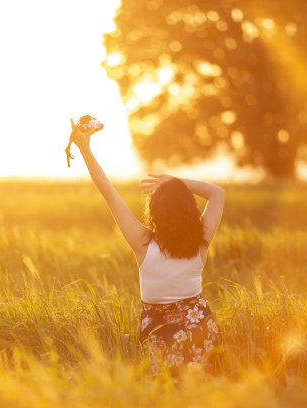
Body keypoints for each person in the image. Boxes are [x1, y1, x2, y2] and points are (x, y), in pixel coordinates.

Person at [70, 118, 225, 374]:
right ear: (189, 208)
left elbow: (109, 193)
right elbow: (217, 193)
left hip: (162, 339)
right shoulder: (202, 241)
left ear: (154, 212)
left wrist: (84, 149)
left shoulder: (143, 244)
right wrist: (175, 182)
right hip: (204, 330)